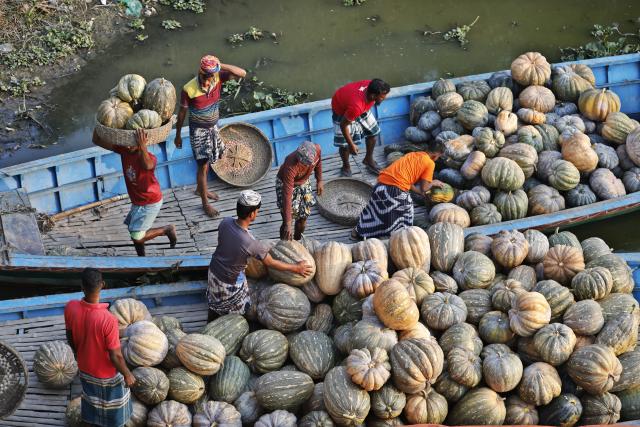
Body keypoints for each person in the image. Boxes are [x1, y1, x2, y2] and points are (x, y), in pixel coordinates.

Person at [207, 190, 314, 321]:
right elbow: (271, 263)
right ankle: (235, 322)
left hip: (213, 270)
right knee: (237, 311)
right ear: (252, 214)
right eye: (257, 210)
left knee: (214, 300)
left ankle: (211, 319)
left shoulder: (225, 222)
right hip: (230, 281)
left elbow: (228, 243)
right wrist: (296, 268)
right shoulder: (251, 243)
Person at [174, 55, 247, 217]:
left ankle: (201, 189)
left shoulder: (218, 78)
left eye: (211, 76)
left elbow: (242, 73)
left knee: (210, 160)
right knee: (203, 165)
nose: (208, 80)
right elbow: (181, 115)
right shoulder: (188, 89)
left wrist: (221, 65)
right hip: (198, 132)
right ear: (200, 72)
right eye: (205, 76)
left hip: (214, 128)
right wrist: (178, 135)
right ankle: (204, 203)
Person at [64, 268, 135, 427]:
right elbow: (115, 356)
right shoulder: (108, 319)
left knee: (92, 402)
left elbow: (69, 334)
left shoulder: (70, 307)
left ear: (82, 286)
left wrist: (77, 352)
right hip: (107, 374)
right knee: (115, 411)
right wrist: (128, 374)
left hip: (84, 368)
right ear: (103, 285)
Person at [93, 129, 177, 256]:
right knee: (134, 232)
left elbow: (148, 165)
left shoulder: (149, 157)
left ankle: (166, 230)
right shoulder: (124, 150)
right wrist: (100, 124)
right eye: (126, 141)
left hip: (150, 201)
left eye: (132, 143)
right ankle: (141, 259)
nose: (128, 145)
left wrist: (143, 146)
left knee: (137, 236)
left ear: (141, 143)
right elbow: (96, 140)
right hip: (138, 201)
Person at [352, 151, 444, 240]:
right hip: (394, 191)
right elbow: (425, 188)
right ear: (436, 155)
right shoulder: (430, 163)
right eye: (439, 157)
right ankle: (400, 239)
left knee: (374, 212)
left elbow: (407, 180)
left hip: (380, 186)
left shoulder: (413, 155)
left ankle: (359, 231)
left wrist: (419, 192)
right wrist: (433, 183)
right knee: (406, 216)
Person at [332, 78, 391, 177]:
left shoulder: (371, 85)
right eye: (382, 97)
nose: (385, 98)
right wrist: (351, 144)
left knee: (374, 132)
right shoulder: (356, 106)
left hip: (359, 106)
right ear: (373, 95)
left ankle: (368, 159)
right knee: (344, 144)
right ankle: (346, 166)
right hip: (341, 109)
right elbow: (343, 125)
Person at [276, 141, 324, 241]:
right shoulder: (290, 164)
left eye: (308, 164)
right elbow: (287, 195)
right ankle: (284, 245)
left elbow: (318, 163)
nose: (306, 166)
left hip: (303, 182)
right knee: (287, 222)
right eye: (304, 164)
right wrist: (288, 224)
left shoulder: (317, 148)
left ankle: (297, 241)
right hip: (287, 184)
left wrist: (319, 180)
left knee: (303, 217)